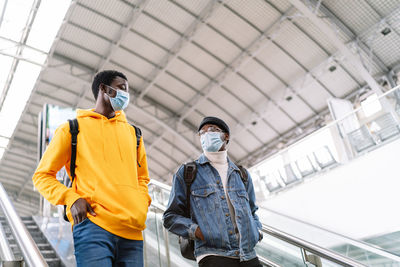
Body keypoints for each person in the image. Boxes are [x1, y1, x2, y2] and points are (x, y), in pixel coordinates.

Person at [32, 70, 151, 267]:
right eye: (121, 89)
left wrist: (141, 204)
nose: (126, 95)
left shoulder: (133, 133)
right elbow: (42, 176)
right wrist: (72, 198)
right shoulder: (72, 129)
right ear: (104, 89)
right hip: (93, 226)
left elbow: (142, 178)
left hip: (133, 231)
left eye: (127, 91)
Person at [163, 116, 263, 267]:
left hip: (248, 254)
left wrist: (257, 232)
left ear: (226, 136)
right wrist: (198, 231)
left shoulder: (241, 174)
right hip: (213, 255)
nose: (206, 135)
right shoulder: (188, 172)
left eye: (211, 130)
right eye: (202, 133)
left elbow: (252, 211)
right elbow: (170, 217)